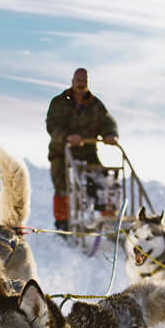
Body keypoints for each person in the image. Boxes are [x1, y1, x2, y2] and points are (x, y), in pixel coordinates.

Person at [45, 68, 119, 231]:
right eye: (78, 80)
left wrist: (110, 134)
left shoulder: (95, 105)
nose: (81, 84)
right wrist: (68, 136)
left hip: (87, 151)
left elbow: (107, 122)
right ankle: (63, 222)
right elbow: (52, 125)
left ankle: (109, 217)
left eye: (84, 81)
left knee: (101, 179)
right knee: (61, 182)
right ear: (73, 81)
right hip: (62, 151)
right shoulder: (59, 102)